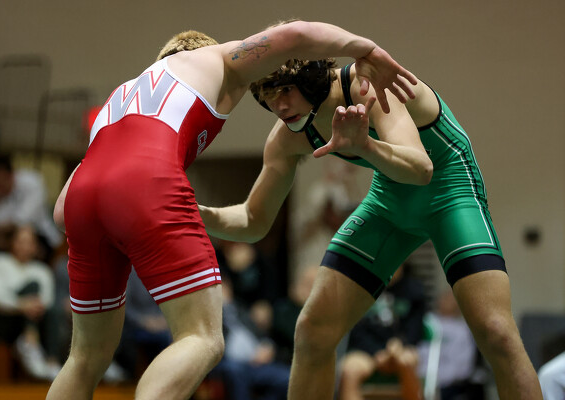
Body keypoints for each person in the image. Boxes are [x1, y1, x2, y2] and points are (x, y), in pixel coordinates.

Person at [46, 21, 418, 400]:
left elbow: (62, 212)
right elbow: (296, 34)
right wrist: (366, 50)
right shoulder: (215, 58)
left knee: (84, 358)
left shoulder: (121, 97)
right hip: (147, 183)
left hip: (83, 202)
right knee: (202, 338)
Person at [198, 22, 543, 400]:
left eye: (285, 91)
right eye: (268, 95)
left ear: (311, 78)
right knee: (312, 332)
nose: (279, 106)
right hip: (389, 201)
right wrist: (195, 213)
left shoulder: (367, 85)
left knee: (496, 332)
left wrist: (365, 147)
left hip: (450, 190)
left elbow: (421, 169)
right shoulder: (287, 137)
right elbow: (253, 221)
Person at [0, 224, 60, 380]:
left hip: (34, 319)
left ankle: (51, 360)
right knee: (32, 286)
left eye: (29, 242)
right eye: (21, 241)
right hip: (1, 321)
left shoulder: (42, 270)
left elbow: (48, 301)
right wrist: (21, 305)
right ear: (12, 242)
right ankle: (30, 343)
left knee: (54, 311)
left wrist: (31, 306)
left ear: (36, 247)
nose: (24, 246)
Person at [338, 263, 426, 400]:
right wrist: (377, 352)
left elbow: (415, 329)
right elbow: (356, 329)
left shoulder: (414, 290)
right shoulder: (361, 288)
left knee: (407, 362)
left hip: (400, 349)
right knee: (349, 370)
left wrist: (398, 345)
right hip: (366, 351)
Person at [0, 155, 63, 259]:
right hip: (2, 240)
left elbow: (21, 220)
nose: (1, 185)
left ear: (12, 175)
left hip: (39, 235)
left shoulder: (32, 182)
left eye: (3, 179)